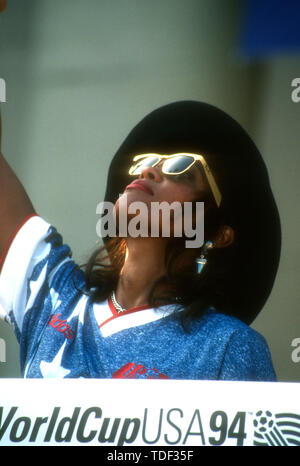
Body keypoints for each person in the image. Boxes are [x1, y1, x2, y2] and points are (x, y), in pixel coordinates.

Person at [0, 101, 281, 380]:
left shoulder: (227, 347)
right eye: (146, 162)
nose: (148, 171)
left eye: (182, 169)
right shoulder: (54, 296)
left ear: (218, 234)